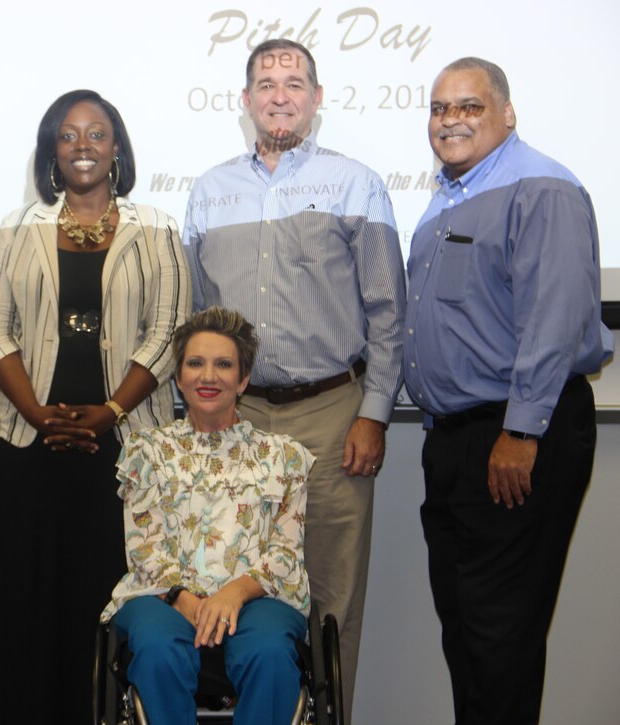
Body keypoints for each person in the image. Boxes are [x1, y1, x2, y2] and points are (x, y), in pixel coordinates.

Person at [182, 38, 405, 722]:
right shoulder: (209, 191)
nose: (280, 94)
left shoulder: (356, 182)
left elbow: (387, 312)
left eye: (295, 82)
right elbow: (196, 319)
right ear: (245, 101)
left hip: (333, 416)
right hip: (237, 421)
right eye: (266, 83)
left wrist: (373, 411)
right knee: (239, 590)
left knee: (332, 595)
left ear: (316, 98)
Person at [404, 57, 613, 724]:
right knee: (468, 628)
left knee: (500, 634)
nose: (451, 120)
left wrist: (521, 432)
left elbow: (553, 320)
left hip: (516, 435)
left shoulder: (540, 187)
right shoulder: (447, 199)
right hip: (459, 439)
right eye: (440, 109)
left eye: (469, 106)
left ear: (507, 113)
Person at [0, 89, 190, 723]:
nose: (83, 147)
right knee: (26, 599)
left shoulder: (157, 227)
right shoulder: (17, 228)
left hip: (125, 451)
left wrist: (110, 412)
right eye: (68, 135)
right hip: (23, 444)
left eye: (96, 134)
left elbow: (170, 329)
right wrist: (39, 413)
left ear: (117, 147)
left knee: (110, 596)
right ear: (51, 151)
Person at [103, 306, 313, 725]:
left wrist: (232, 594)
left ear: (244, 378)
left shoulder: (283, 455)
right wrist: (185, 599)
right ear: (178, 378)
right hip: (162, 594)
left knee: (270, 652)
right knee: (159, 648)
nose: (208, 376)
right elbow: (144, 550)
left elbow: (285, 553)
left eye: (224, 365)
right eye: (195, 363)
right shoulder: (148, 452)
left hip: (259, 596)